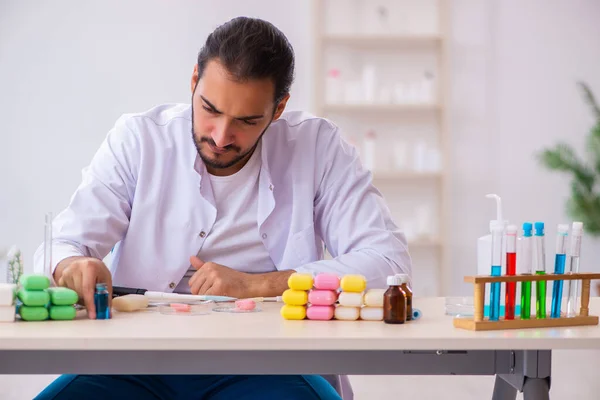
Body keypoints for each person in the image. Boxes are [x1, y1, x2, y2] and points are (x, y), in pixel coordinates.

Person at [33, 16, 411, 400]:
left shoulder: (317, 148)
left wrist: (258, 285)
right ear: (194, 80)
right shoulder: (140, 139)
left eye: (246, 121)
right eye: (210, 109)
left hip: (267, 362)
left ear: (278, 108)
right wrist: (73, 266)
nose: (220, 136)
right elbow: (63, 244)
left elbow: (388, 262)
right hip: (134, 359)